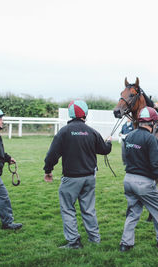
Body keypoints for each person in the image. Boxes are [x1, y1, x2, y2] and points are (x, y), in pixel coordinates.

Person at [43, 100, 112, 249]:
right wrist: (109, 143)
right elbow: (104, 150)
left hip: (71, 179)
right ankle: (95, 239)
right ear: (85, 114)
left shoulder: (64, 132)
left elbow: (52, 155)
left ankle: (74, 242)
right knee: (89, 209)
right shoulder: (92, 131)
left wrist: (48, 170)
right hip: (89, 178)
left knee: (68, 209)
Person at [119, 106, 158, 252]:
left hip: (128, 180)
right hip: (143, 183)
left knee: (133, 212)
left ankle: (125, 244)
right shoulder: (151, 139)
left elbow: (125, 157)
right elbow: (156, 163)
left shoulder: (129, 136)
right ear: (153, 123)